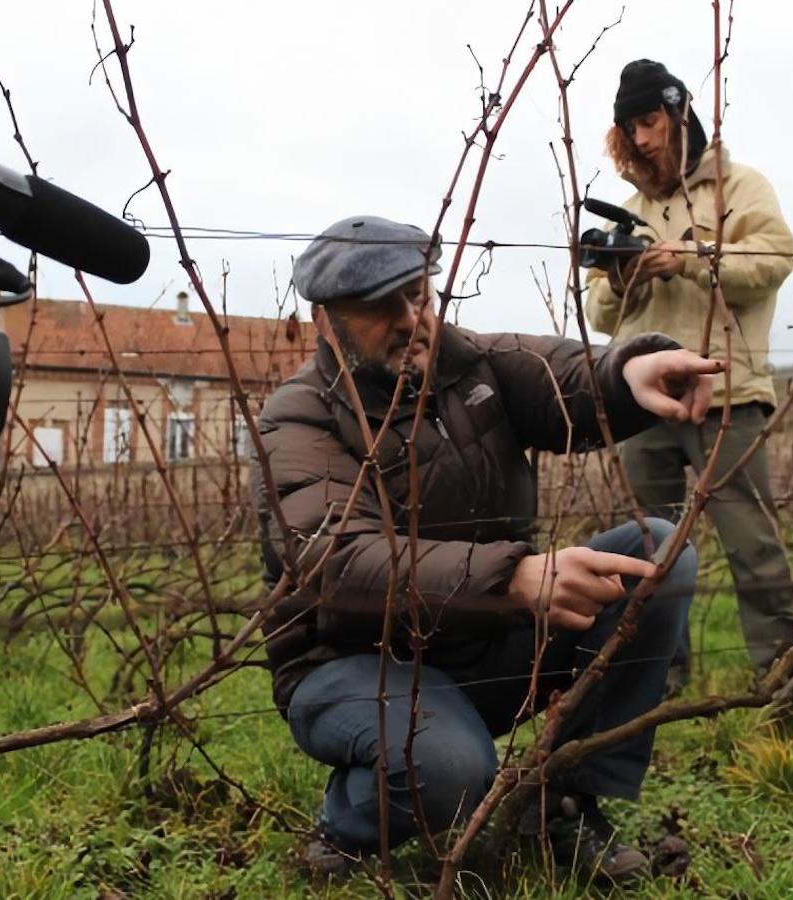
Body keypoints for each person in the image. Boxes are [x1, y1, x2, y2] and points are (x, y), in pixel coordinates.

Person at [255, 215, 720, 881]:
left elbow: (569, 377)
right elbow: (337, 559)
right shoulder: (298, 418)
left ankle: (563, 800)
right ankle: (350, 820)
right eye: (381, 307)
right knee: (451, 769)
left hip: (481, 646)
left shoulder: (467, 364)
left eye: (419, 293)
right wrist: (516, 578)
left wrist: (632, 370)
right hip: (356, 667)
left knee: (658, 554)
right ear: (326, 322)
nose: (412, 318)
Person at [585, 59, 793, 690]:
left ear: (680, 115)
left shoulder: (741, 188)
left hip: (729, 394)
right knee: (651, 551)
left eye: (651, 121)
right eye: (631, 129)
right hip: (645, 406)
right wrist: (626, 273)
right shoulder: (626, 211)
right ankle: (658, 676)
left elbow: (772, 261)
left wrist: (686, 257)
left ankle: (786, 676)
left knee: (753, 544)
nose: (644, 140)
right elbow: (598, 311)